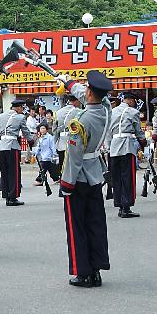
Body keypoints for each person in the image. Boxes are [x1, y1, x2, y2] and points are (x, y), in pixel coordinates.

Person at [58, 71, 113, 287]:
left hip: (79, 178)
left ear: (89, 91)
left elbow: (74, 157)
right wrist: (69, 82)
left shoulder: (78, 120)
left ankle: (83, 272)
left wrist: (66, 184)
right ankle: (97, 269)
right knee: (96, 223)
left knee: (76, 226)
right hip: (95, 174)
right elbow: (89, 96)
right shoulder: (106, 110)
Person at [108, 92, 146, 218]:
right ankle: (126, 206)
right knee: (127, 177)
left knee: (117, 177)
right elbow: (138, 130)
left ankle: (119, 204)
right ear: (130, 100)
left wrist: (109, 147)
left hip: (113, 147)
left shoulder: (112, 112)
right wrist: (142, 142)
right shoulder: (132, 112)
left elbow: (108, 131)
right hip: (126, 146)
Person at [0, 100, 30, 206]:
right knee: (14, 172)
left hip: (2, 146)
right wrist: (32, 140)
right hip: (12, 146)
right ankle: (13, 197)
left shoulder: (1, 116)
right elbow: (26, 132)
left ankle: (6, 196)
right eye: (22, 108)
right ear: (18, 107)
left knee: (4, 172)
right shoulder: (20, 117)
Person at [54, 95, 82, 166]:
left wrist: (55, 143)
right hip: (74, 142)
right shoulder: (79, 112)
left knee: (62, 165)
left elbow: (55, 129)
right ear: (77, 100)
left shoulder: (58, 112)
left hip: (61, 143)